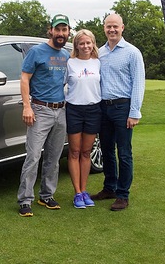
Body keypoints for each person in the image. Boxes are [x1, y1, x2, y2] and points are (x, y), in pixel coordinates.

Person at [17, 14, 71, 217]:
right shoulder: (37, 52)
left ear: (68, 32)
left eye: (64, 30)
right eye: (57, 29)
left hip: (61, 110)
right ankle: (25, 199)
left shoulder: (66, 55)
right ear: (50, 30)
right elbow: (24, 78)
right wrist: (26, 106)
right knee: (33, 156)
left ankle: (46, 195)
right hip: (40, 110)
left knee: (54, 157)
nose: (60, 33)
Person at [91, 13, 145, 211]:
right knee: (106, 151)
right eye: (108, 26)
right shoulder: (100, 53)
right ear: (104, 28)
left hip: (123, 107)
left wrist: (134, 112)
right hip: (104, 108)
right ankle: (109, 188)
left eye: (115, 26)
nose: (112, 30)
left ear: (122, 28)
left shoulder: (132, 53)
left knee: (123, 152)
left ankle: (123, 194)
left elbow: (138, 84)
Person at [64, 29, 101, 209]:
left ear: (93, 43)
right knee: (74, 152)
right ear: (76, 46)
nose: (85, 46)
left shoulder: (98, 63)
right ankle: (77, 193)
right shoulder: (70, 63)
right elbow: (61, 85)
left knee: (86, 152)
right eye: (81, 43)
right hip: (74, 110)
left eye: (89, 43)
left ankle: (84, 191)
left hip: (94, 109)